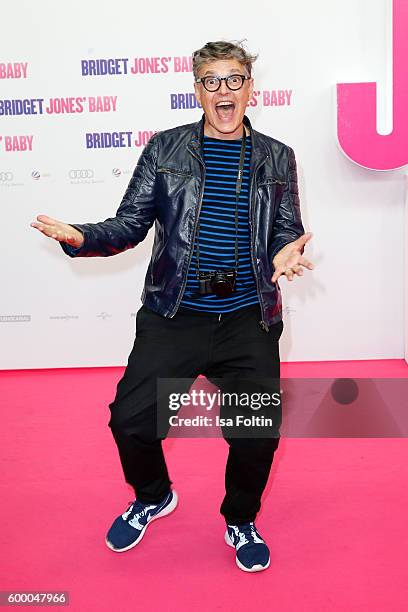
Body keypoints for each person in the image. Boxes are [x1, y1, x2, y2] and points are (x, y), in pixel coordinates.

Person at [30, 40, 313, 573]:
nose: (224, 90)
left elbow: (288, 231)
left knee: (256, 434)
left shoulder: (278, 156)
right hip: (174, 313)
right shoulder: (166, 149)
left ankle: (240, 519)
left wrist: (287, 252)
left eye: (234, 79)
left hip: (249, 318)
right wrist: (82, 237)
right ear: (197, 90)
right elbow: (129, 223)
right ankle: (153, 495)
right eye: (212, 80)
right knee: (132, 421)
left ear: (251, 88)